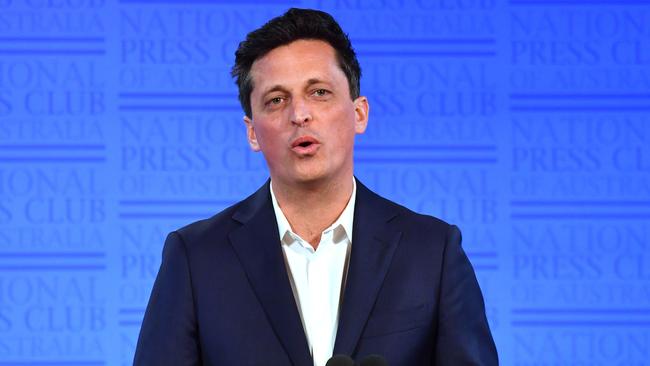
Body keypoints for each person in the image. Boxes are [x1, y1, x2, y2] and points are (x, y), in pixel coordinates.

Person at [134, 8, 498, 366]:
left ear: (359, 114)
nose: (299, 114)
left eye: (319, 92)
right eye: (276, 100)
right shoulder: (197, 257)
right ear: (252, 132)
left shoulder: (432, 252)